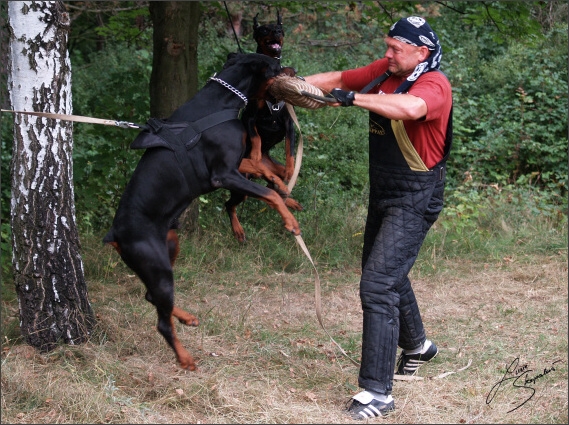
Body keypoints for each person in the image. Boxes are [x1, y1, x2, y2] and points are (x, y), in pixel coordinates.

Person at [304, 16, 452, 420]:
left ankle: (376, 394)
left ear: (420, 53)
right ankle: (419, 346)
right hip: (385, 192)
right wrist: (288, 87)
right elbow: (339, 76)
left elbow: (411, 107)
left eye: (395, 49)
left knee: (377, 283)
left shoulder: (433, 83)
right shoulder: (387, 69)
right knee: (384, 271)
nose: (386, 55)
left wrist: (351, 99)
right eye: (386, 47)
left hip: (416, 196)